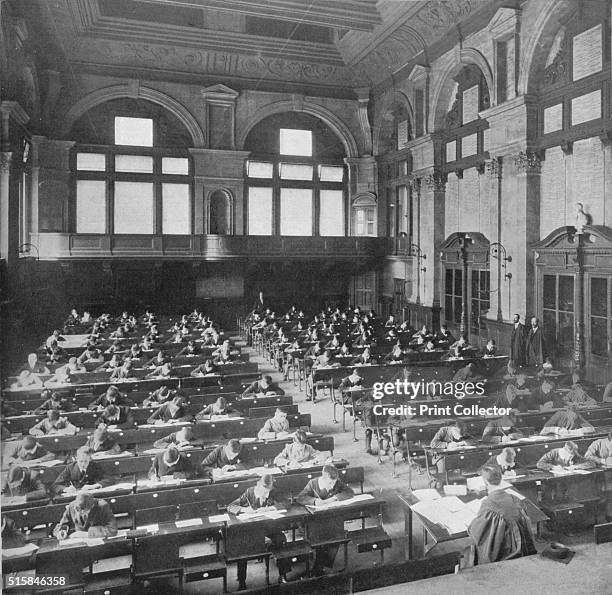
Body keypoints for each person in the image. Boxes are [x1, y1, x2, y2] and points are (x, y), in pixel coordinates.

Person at [228, 475, 291, 589]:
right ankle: (241, 581)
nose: (264, 495)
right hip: (252, 529)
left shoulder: (274, 492)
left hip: (269, 528)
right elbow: (231, 506)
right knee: (242, 546)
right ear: (258, 485)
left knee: (281, 539)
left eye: (267, 492)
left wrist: (270, 508)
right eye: (262, 491)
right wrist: (244, 509)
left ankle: (282, 574)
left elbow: (287, 503)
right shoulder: (250, 492)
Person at [467, 464, 536, 564]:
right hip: (522, 548)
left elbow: (477, 532)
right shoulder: (515, 498)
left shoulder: (488, 503)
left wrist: (471, 525)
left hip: (503, 552)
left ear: (485, 482)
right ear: (501, 478)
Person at [296, 465, 354, 575]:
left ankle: (324, 566)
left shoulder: (336, 482)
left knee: (336, 536)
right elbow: (300, 498)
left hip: (330, 520)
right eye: (330, 483)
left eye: (334, 483)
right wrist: (314, 501)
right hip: (314, 522)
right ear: (323, 477)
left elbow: (350, 492)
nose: (332, 486)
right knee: (321, 539)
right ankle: (319, 567)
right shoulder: (313, 483)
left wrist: (334, 498)